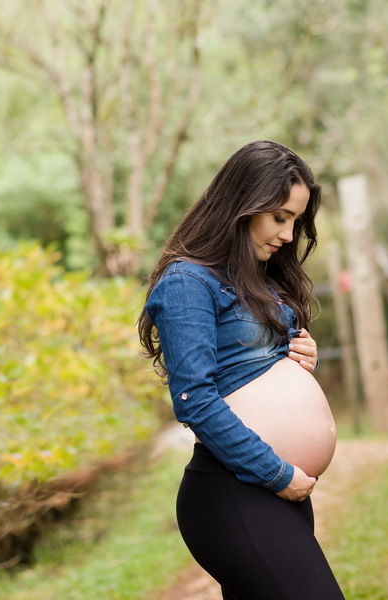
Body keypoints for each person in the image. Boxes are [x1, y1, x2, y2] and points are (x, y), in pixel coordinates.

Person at [138, 140, 344, 599]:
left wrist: (300, 358)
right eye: (280, 217)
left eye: (295, 221)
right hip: (235, 489)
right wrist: (276, 474)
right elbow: (195, 400)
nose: (288, 235)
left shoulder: (260, 279)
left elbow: (254, 368)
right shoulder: (188, 282)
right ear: (242, 205)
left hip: (274, 492)